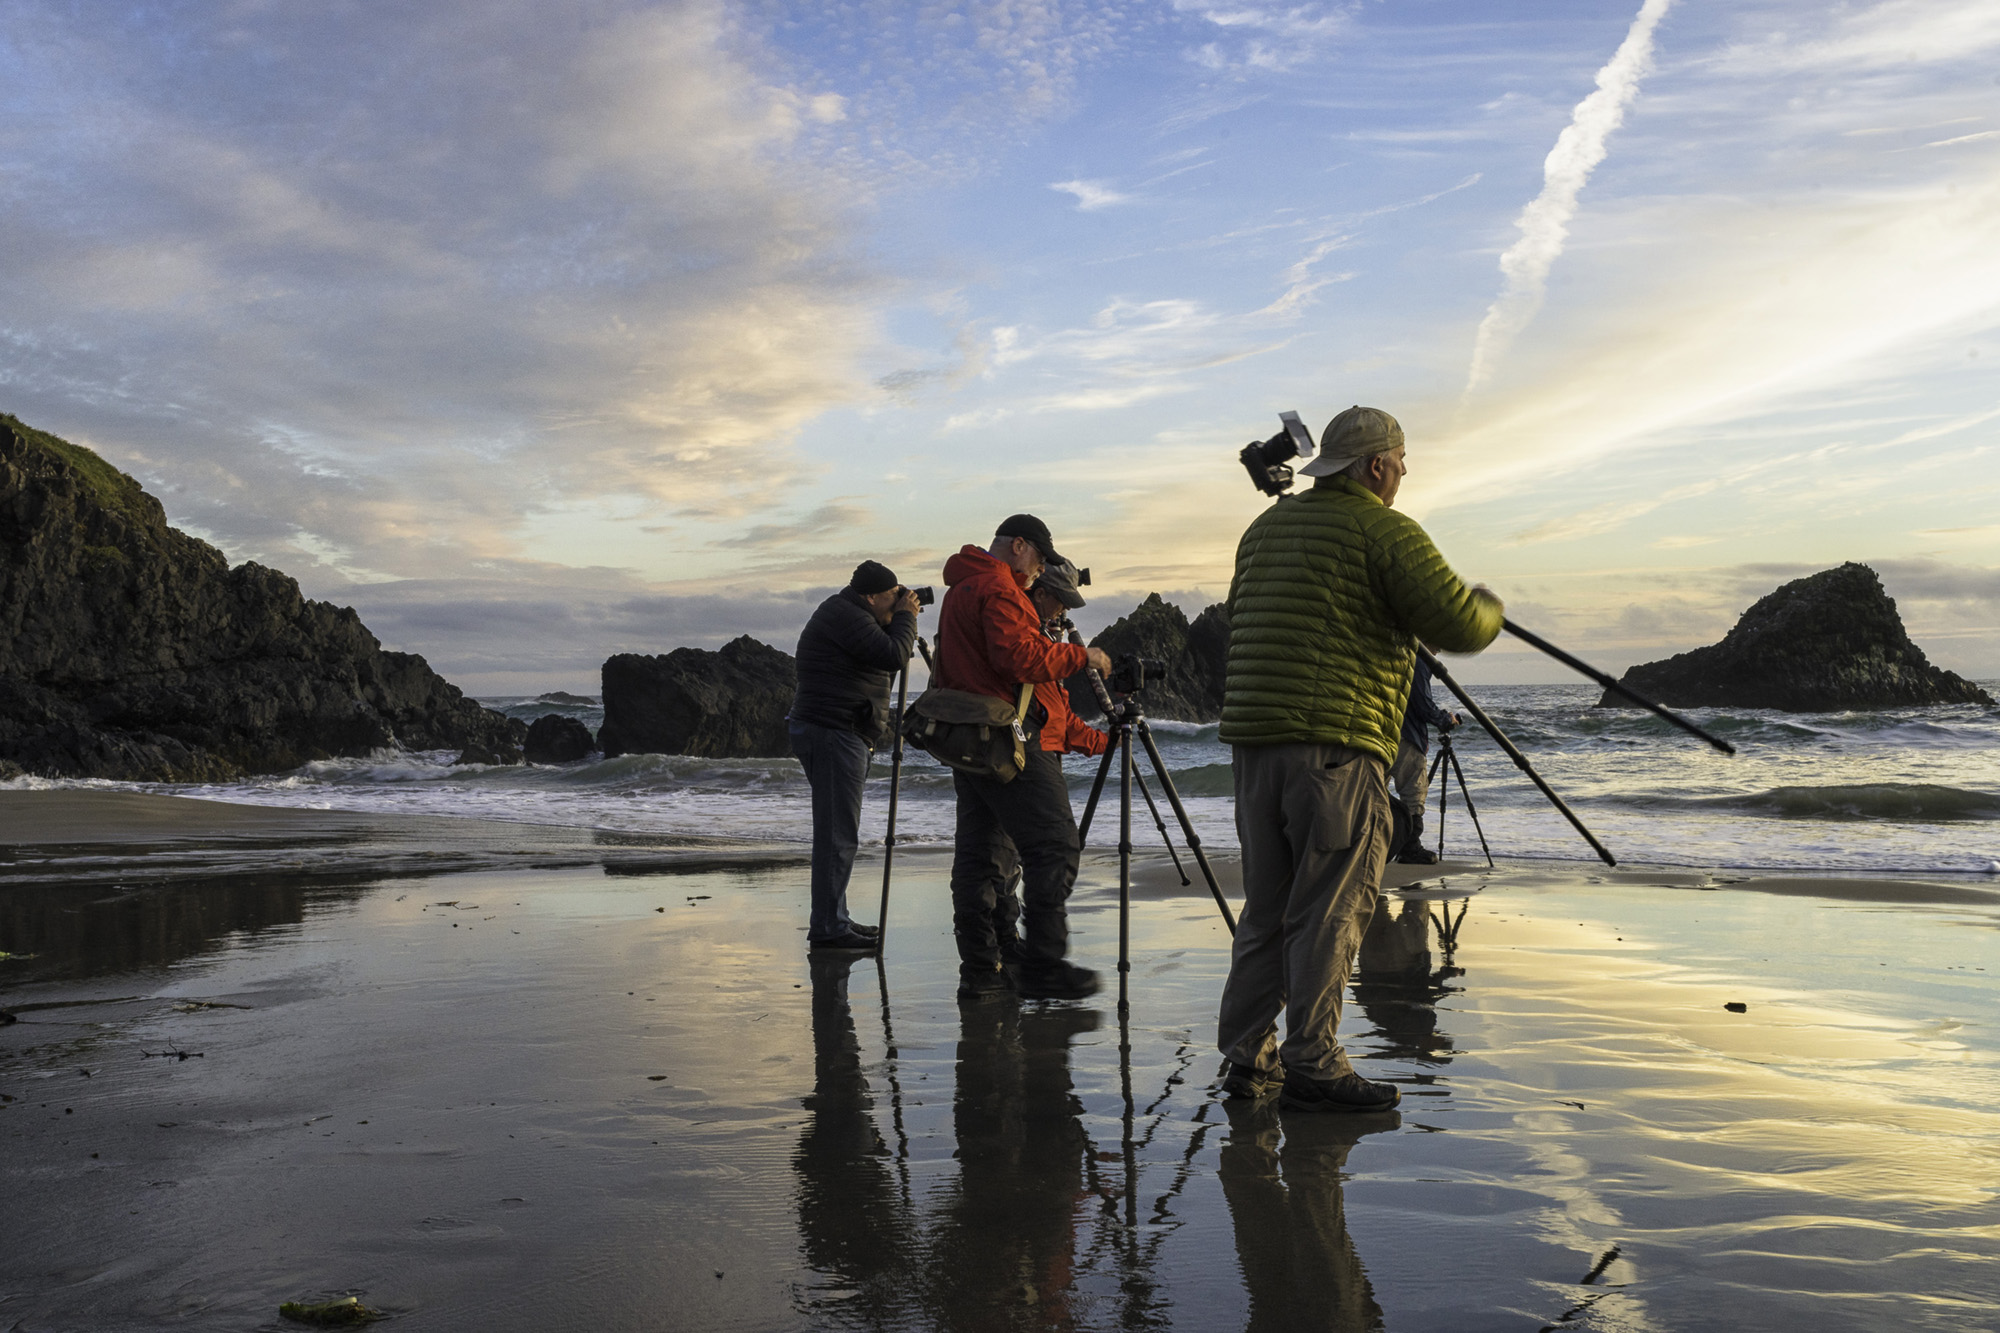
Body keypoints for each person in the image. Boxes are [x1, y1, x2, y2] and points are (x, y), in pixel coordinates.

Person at [1215, 405, 1502, 1112]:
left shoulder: (1263, 531)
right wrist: (1489, 603)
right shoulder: (1384, 530)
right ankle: (1314, 1060)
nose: (1403, 474)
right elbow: (1459, 624)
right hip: (1336, 751)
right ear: (1375, 465)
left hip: (1254, 746)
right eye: (1401, 462)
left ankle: (1248, 1057)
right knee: (1331, 910)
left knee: (1269, 911)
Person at [935, 516, 1112, 1000]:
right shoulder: (998, 588)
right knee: (1054, 845)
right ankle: (1043, 965)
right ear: (1018, 547)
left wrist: (1099, 741)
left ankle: (982, 970)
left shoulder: (961, 588)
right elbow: (1019, 660)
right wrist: (1085, 658)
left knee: (977, 855)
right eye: (1039, 561)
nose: (1037, 574)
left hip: (968, 741)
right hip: (1004, 740)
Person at [977, 560, 1112, 972]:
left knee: (1006, 861)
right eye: (1058, 603)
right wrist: (1079, 657)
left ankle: (1007, 954)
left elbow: (1058, 720)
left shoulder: (1041, 643)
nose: (1062, 614)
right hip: (1013, 757)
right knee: (1031, 853)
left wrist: (1104, 742)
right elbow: (1023, 676)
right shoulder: (1028, 645)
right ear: (1038, 594)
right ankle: (1025, 962)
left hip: (1025, 754)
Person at [788, 560, 920, 953]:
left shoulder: (849, 613)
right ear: (870, 596)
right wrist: (907, 618)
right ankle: (829, 928)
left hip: (837, 730)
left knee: (838, 831)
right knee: (837, 835)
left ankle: (835, 918)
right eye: (891, 597)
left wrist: (898, 615)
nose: (895, 603)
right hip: (833, 732)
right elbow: (895, 654)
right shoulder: (845, 615)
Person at [1390, 653, 1459, 865]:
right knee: (1414, 791)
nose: (1438, 650)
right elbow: (1422, 704)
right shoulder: (1418, 661)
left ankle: (1370, 843)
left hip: (1381, 731)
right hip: (1407, 736)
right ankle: (1410, 848)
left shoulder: (1395, 655)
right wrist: (1446, 720)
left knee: (1373, 791)